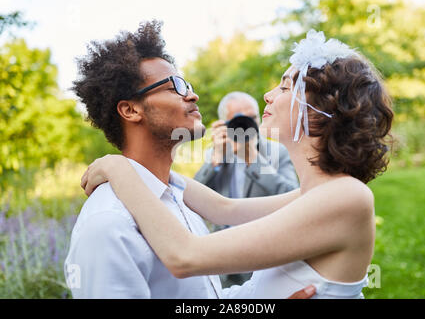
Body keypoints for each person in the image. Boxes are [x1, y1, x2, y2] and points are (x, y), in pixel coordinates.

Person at [82, 29, 394, 299]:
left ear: (319, 111)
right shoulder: (317, 195)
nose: (268, 95)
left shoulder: (346, 198)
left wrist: (120, 170)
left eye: (285, 87)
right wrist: (144, 172)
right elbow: (225, 209)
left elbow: (184, 256)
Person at [64, 21, 314, 299]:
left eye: (188, 85)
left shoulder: (180, 199)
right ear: (131, 110)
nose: (192, 95)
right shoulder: (109, 223)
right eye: (176, 87)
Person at [195, 91, 299, 286]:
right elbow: (193, 199)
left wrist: (253, 159)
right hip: (224, 259)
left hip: (268, 259)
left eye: (251, 118)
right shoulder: (217, 152)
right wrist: (214, 162)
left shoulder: (278, 152)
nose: (246, 126)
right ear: (223, 124)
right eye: (238, 120)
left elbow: (293, 196)